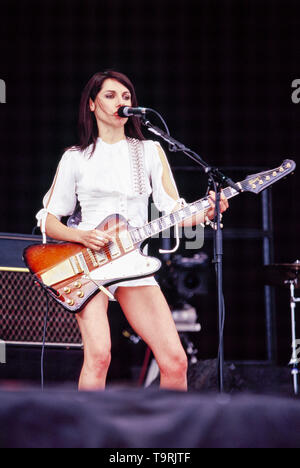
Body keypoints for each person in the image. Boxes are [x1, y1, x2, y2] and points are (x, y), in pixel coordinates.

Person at [36, 70, 229, 391]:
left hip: (132, 262)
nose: (120, 102)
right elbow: (48, 219)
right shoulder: (76, 157)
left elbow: (174, 211)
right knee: (99, 357)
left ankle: (169, 438)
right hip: (88, 264)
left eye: (126, 97)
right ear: (92, 105)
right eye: (110, 96)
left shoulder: (150, 151)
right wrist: (81, 236)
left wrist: (207, 211)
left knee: (175, 361)